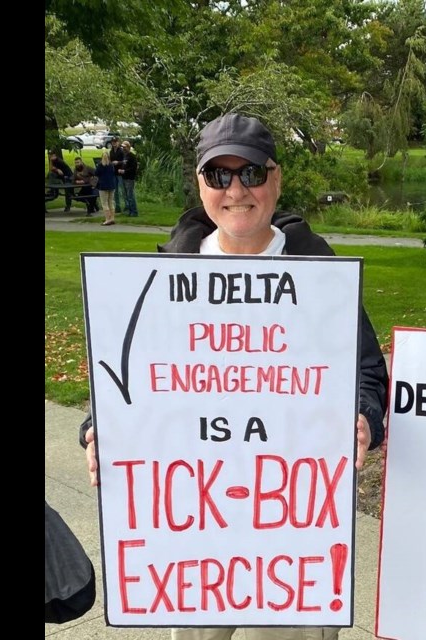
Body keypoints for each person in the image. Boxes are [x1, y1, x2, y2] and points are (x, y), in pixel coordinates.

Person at [78, 113, 389, 640]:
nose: (236, 190)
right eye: (218, 176)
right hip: (193, 524)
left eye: (250, 172)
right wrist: (97, 428)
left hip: (293, 524)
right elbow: (128, 382)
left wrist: (363, 417)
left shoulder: (318, 271)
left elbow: (365, 372)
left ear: (277, 177)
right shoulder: (165, 278)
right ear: (200, 184)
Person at [93, 151, 117, 226]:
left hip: (103, 186)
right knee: (111, 202)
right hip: (111, 185)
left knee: (104, 203)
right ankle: (112, 218)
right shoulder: (111, 165)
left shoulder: (100, 165)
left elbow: (96, 173)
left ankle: (107, 219)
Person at [117, 140, 139, 216]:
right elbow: (124, 164)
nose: (123, 148)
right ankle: (129, 210)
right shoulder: (125, 156)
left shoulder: (132, 156)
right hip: (124, 178)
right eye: (122, 147)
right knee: (126, 195)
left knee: (130, 195)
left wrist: (124, 171)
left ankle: (134, 211)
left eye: (125, 147)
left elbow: (133, 168)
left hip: (129, 178)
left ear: (128, 147)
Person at [107, 137, 126, 213]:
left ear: (118, 142)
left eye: (115, 141)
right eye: (113, 142)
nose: (114, 143)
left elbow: (125, 161)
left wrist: (118, 162)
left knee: (123, 190)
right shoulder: (111, 151)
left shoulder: (121, 151)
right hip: (114, 173)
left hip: (120, 173)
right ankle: (117, 207)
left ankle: (126, 206)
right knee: (115, 191)